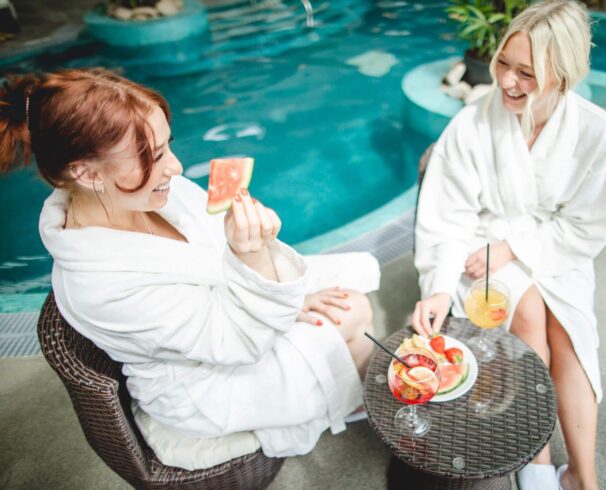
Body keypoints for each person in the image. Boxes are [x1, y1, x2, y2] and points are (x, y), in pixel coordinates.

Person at [0, 68, 379, 459]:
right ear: (85, 172)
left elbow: (216, 252)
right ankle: (347, 399)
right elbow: (237, 343)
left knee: (352, 298)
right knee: (355, 313)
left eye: (168, 145)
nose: (177, 168)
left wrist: (279, 288)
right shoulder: (99, 287)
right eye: (153, 155)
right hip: (205, 381)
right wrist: (253, 258)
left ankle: (343, 386)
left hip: (237, 308)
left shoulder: (153, 192)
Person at [412, 1, 606, 489]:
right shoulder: (472, 122)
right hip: (480, 240)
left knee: (571, 334)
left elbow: (588, 224)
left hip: (558, 245)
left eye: (526, 72)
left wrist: (514, 247)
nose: (506, 81)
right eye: (504, 62)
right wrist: (441, 287)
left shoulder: (596, 131)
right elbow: (447, 216)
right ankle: (539, 460)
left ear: (562, 76)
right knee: (529, 315)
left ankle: (584, 477)